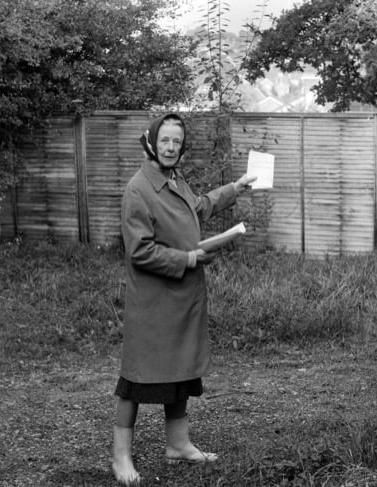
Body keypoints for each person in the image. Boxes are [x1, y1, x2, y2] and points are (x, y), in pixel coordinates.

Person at [111, 113, 256, 485]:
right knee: (136, 379)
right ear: (152, 143)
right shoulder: (138, 189)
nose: (172, 147)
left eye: (177, 141)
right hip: (154, 302)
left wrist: (235, 188)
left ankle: (177, 445)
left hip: (182, 298)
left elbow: (200, 206)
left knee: (180, 371)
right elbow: (139, 252)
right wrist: (188, 258)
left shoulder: (174, 179)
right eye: (165, 141)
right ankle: (120, 457)